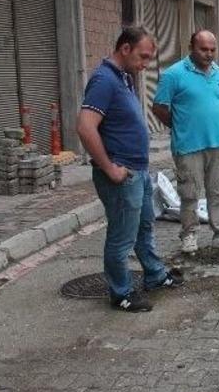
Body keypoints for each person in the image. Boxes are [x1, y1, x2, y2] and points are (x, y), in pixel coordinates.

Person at [77, 27, 184, 312]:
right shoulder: (103, 80)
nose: (145, 65)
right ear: (125, 49)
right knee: (121, 237)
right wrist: (110, 168)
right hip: (121, 175)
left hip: (138, 171)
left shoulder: (125, 78)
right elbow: (86, 128)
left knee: (145, 226)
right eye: (143, 57)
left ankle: (155, 275)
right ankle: (121, 293)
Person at [152, 29, 219, 253]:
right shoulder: (173, 74)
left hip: (218, 144)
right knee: (189, 193)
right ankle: (189, 236)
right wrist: (180, 126)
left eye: (212, 49)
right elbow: (158, 107)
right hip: (188, 146)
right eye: (203, 49)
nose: (209, 54)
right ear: (191, 48)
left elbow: (218, 102)